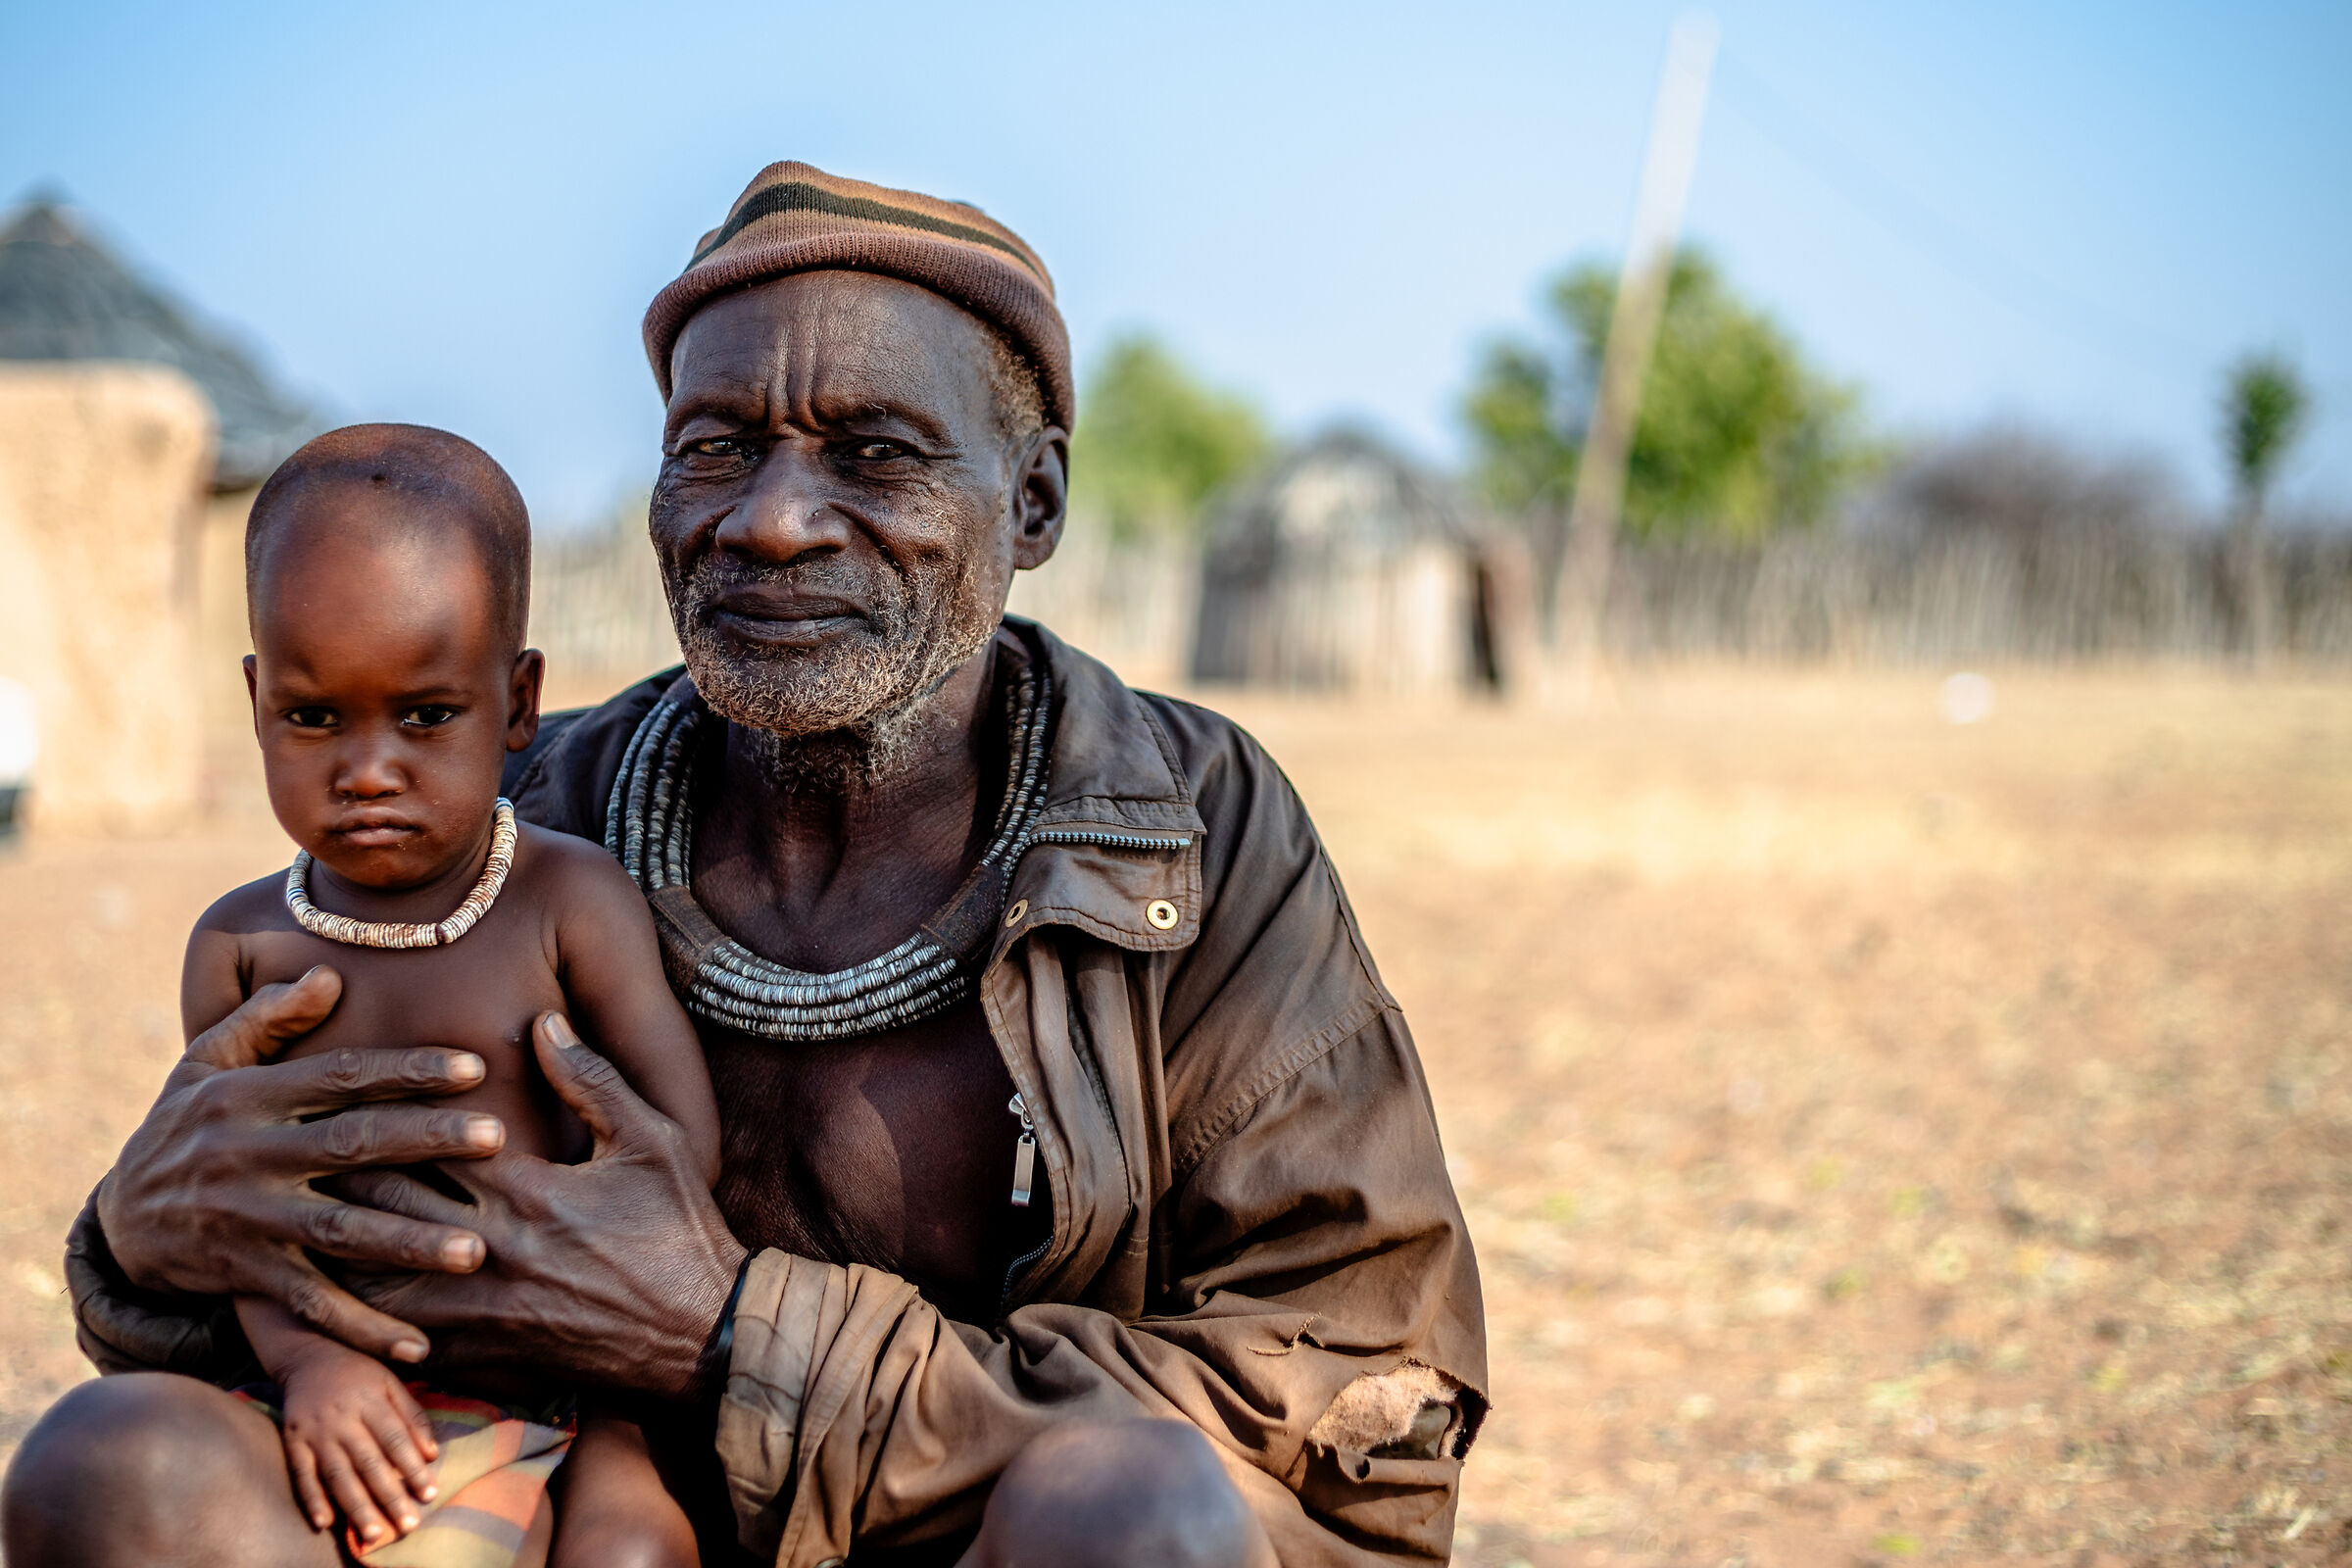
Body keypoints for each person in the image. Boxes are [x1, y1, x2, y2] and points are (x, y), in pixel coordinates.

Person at [5, 163, 1488, 1567]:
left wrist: (728, 1331)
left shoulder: (1191, 831)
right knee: (117, 1464)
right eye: (713, 449)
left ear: (1031, 505)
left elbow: (1359, 1404)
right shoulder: (507, 823)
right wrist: (153, 1237)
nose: (769, 521)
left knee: (1136, 1506)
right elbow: (304, 1275)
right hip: (565, 1518)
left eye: (874, 453)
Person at [20, 424, 729, 1566]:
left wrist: (566, 1307)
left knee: (632, 1547)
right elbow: (231, 1217)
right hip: (331, 1377)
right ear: (257, 699)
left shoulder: (568, 901)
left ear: (517, 701)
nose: (367, 768)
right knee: (132, 1472)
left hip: (570, 1372)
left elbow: (680, 1146)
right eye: (313, 718)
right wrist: (308, 1362)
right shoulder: (243, 948)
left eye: (426, 715)